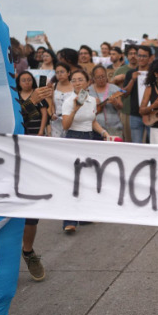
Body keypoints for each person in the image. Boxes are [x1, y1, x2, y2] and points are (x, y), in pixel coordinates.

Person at [61, 69, 111, 233]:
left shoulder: (92, 100)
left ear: (87, 81)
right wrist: (75, 108)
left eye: (80, 79)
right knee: (73, 180)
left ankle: (84, 215)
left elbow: (93, 121)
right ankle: (69, 221)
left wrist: (103, 132)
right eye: (74, 80)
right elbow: (65, 126)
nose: (77, 83)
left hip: (89, 138)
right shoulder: (69, 101)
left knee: (87, 178)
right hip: (73, 138)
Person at [15, 71, 51, 281]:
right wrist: (30, 102)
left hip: (31, 155)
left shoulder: (35, 97)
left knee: (31, 209)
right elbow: (10, 121)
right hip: (4, 157)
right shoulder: (9, 95)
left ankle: (28, 252)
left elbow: (43, 114)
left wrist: (41, 100)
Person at [122, 45, 152, 143]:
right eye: (139, 55)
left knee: (153, 144)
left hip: (151, 114)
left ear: (150, 58)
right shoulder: (131, 73)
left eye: (144, 56)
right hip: (135, 114)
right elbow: (125, 94)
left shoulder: (154, 73)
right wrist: (132, 80)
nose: (141, 58)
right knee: (136, 144)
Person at [89, 64, 124, 138]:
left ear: (106, 76)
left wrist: (116, 103)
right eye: (98, 77)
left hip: (114, 127)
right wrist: (93, 103)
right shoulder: (89, 90)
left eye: (103, 76)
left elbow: (121, 106)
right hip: (95, 128)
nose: (101, 79)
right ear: (93, 78)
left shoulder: (114, 89)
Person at [49, 62, 74, 138]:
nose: (59, 74)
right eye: (57, 73)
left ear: (68, 73)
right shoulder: (54, 86)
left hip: (71, 121)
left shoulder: (74, 86)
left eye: (62, 72)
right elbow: (52, 104)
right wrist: (52, 113)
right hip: (56, 122)